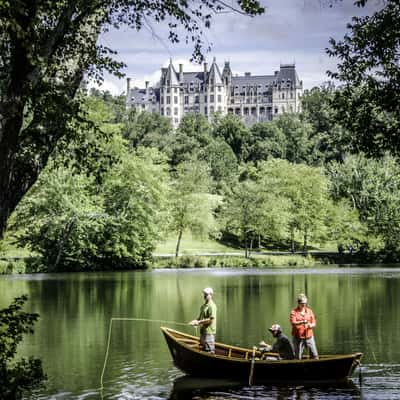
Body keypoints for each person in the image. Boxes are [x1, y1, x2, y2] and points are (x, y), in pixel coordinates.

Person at [290, 293, 319, 359]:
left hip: (309, 336)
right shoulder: (293, 312)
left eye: (305, 303)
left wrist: (310, 325)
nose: (304, 304)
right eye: (302, 303)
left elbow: (314, 323)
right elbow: (293, 323)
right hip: (298, 337)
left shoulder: (309, 311)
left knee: (315, 355)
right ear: (298, 303)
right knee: (298, 356)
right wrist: (302, 322)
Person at [189, 287, 217, 354]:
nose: (204, 296)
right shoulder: (203, 306)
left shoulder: (212, 306)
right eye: (204, 294)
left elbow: (211, 320)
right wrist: (195, 321)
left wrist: (198, 322)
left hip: (209, 333)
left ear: (211, 295)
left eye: (206, 294)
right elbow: (200, 318)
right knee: (203, 350)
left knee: (210, 352)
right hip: (203, 332)